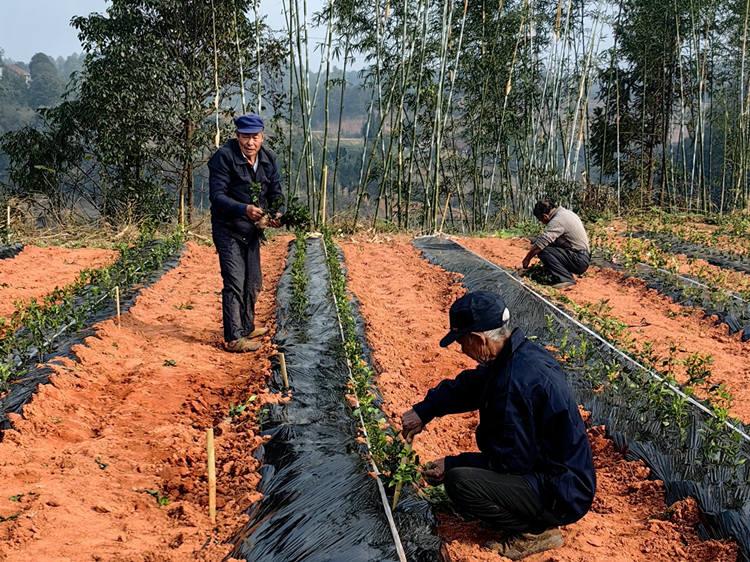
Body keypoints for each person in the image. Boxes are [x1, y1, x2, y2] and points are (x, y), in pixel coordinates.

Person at [401, 291, 595, 560]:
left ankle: (535, 532)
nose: (461, 349)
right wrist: (424, 411)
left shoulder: (513, 385)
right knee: (467, 472)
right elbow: (470, 387)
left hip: (561, 493)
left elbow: (510, 463)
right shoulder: (518, 355)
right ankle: (525, 510)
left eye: (461, 342)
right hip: (561, 476)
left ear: (478, 339)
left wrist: (453, 464)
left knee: (461, 483)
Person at [208, 113, 284, 352]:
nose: (250, 142)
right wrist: (244, 209)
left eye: (255, 137)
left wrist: (277, 213)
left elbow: (276, 192)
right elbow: (217, 196)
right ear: (237, 136)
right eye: (245, 137)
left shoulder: (268, 159)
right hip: (227, 228)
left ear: (262, 136)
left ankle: (247, 325)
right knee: (234, 281)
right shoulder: (223, 158)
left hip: (252, 230)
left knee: (253, 283)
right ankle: (233, 338)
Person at [520, 199, 590, 289]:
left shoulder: (558, 220)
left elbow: (542, 243)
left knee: (543, 250)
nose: (542, 223)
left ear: (545, 216)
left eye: (540, 220)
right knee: (543, 244)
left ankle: (566, 279)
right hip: (581, 256)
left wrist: (527, 258)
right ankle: (562, 272)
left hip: (579, 260)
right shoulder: (566, 213)